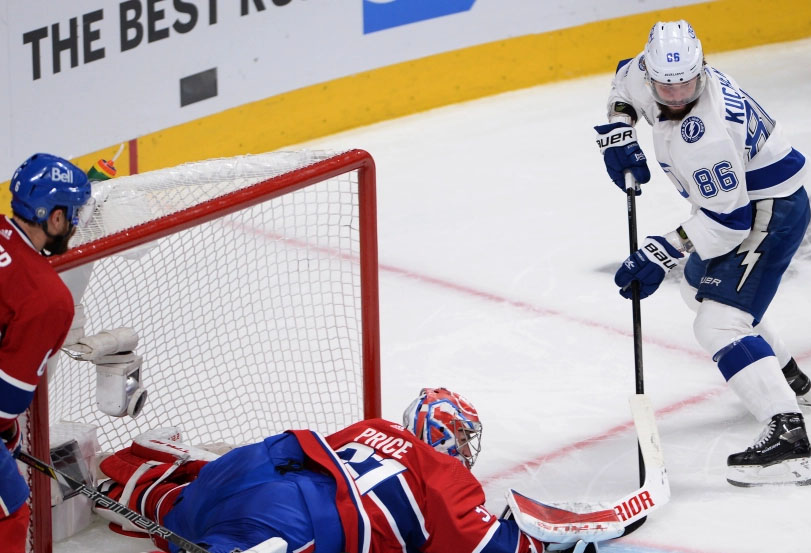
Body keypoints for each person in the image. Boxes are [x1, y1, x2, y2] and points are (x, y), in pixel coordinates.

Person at [593, 20, 811, 486]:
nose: (677, 97)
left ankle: (787, 432)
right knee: (696, 288)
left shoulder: (707, 135)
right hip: (740, 205)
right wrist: (620, 130)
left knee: (718, 322)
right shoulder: (650, 73)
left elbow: (729, 223)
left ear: (702, 70)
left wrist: (661, 251)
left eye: (687, 85)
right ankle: (783, 374)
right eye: (666, 88)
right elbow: (623, 82)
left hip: (767, 211)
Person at [96, 387, 583, 553]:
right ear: (443, 436)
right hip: (296, 519)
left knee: (184, 508)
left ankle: (126, 489)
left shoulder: (370, 426)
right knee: (275, 533)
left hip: (253, 467)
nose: (465, 450)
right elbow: (494, 546)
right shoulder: (446, 477)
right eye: (462, 437)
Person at [0, 153, 91, 551]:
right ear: (54, 218)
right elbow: (5, 402)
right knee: (10, 512)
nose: (74, 224)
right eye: (72, 215)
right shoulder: (46, 297)